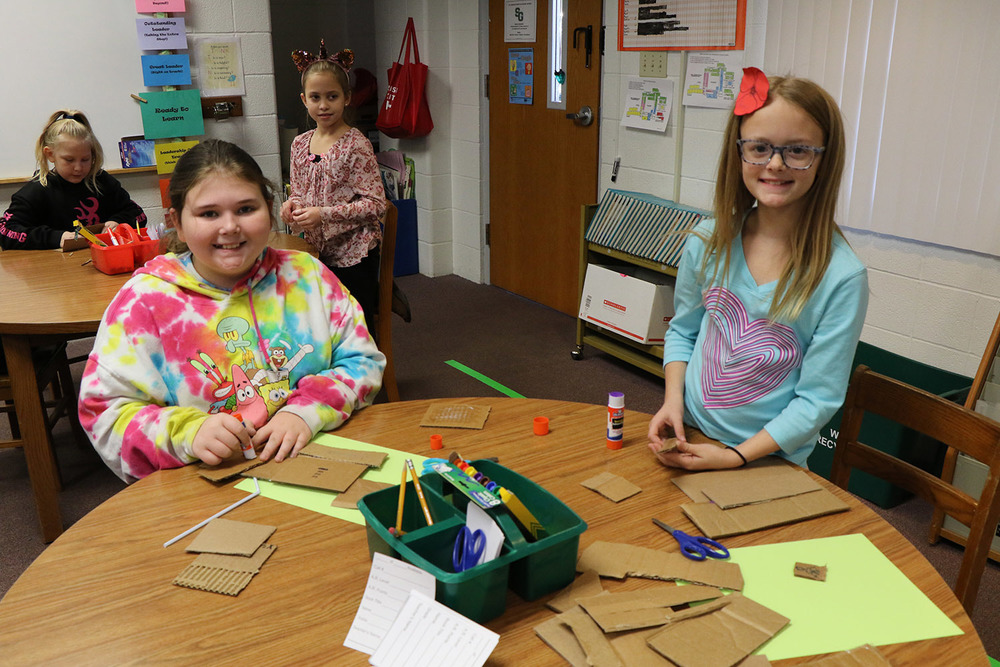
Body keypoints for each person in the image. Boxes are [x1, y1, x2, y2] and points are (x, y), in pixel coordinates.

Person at [78, 139, 386, 483]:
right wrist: (187, 433)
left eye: (246, 209)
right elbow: (105, 412)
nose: (229, 227)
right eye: (209, 214)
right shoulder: (144, 302)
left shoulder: (308, 276)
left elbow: (362, 361)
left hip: (314, 464)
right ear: (177, 222)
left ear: (269, 209)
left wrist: (307, 412)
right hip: (206, 482)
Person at [647, 69, 869, 471]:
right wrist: (673, 401)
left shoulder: (841, 277)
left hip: (769, 459)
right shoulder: (707, 241)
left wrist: (735, 456)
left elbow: (817, 400)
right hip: (692, 434)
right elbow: (684, 331)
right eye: (760, 148)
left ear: (824, 159)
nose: (776, 164)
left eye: (797, 150)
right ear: (739, 153)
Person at [281, 41, 386, 327]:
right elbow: (299, 192)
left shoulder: (356, 145)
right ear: (304, 99)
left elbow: (376, 205)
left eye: (332, 96)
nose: (323, 105)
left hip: (354, 255)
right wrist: (292, 207)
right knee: (319, 324)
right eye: (315, 97)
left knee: (353, 326)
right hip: (315, 251)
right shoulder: (299, 144)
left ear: (347, 98)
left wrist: (323, 215)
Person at [0, 110, 146, 250]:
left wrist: (118, 222)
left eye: (85, 159)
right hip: (56, 264)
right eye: (69, 160)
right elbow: (5, 231)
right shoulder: (36, 190)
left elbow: (138, 214)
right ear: (50, 154)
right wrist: (56, 238)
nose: (78, 168)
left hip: (101, 259)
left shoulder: (101, 181)